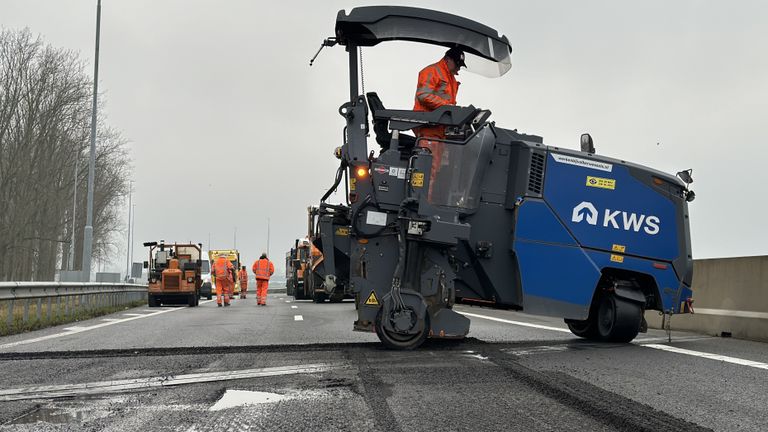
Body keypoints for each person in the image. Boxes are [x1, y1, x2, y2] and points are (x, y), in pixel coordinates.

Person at [413, 47, 465, 198]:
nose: (458, 69)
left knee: (437, 171)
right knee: (429, 170)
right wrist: (446, 107)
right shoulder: (432, 71)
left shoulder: (450, 78)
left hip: (439, 132)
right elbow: (423, 95)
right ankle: (421, 207)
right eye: (457, 65)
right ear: (448, 60)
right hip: (429, 129)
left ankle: (428, 204)